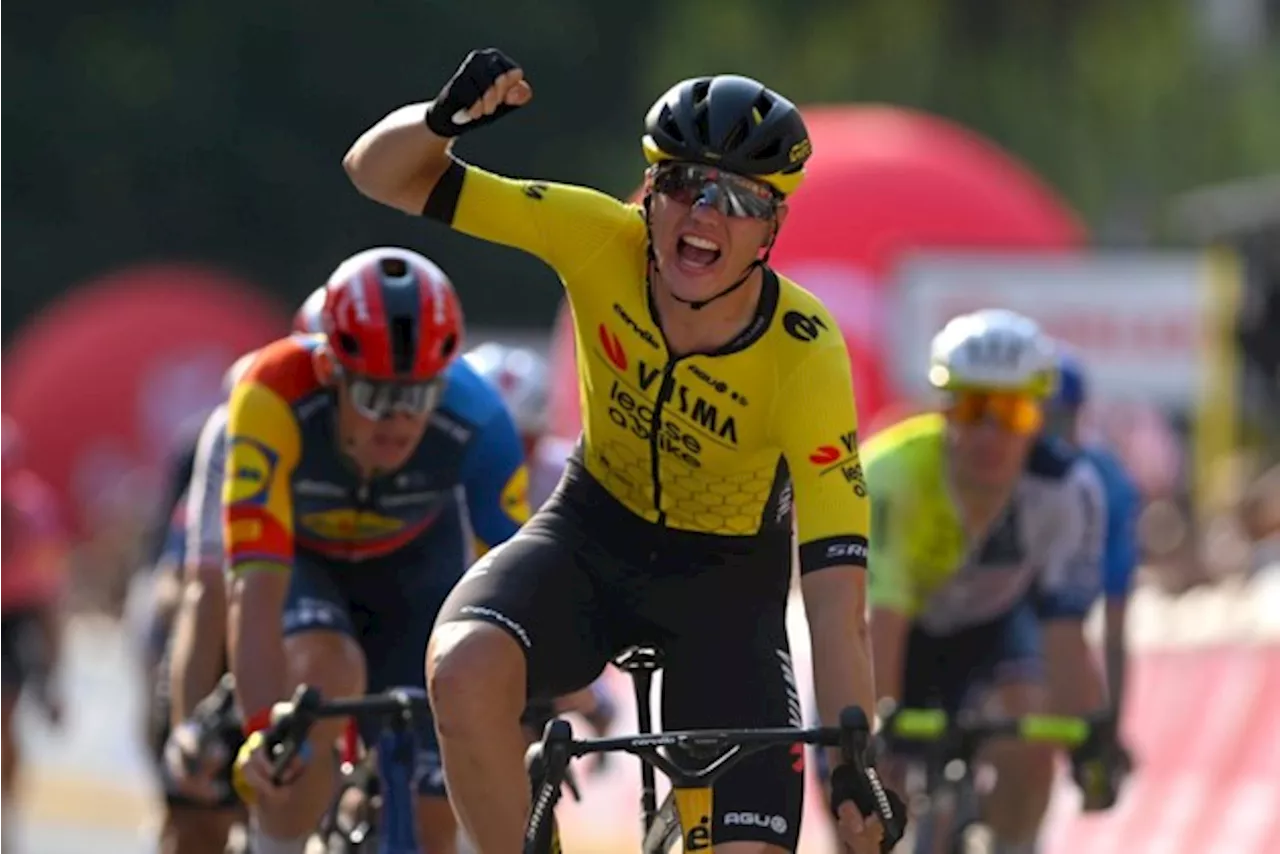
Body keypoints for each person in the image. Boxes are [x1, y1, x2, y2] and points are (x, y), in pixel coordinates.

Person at [344, 49, 903, 854]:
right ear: (648, 194)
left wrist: (856, 759)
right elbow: (376, 172)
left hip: (727, 591)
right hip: (589, 536)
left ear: (772, 227)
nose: (701, 215)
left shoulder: (803, 352)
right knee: (462, 670)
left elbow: (834, 591)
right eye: (679, 184)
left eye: (736, 198)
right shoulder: (594, 234)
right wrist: (439, 122)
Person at [227, 248, 530, 854]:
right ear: (331, 372)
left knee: (431, 816)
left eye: (416, 398)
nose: (395, 421)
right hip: (308, 569)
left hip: (417, 574)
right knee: (324, 681)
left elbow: (522, 580)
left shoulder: (481, 420)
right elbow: (252, 585)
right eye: (374, 395)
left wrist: (545, 698)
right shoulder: (271, 393)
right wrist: (262, 728)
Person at [865, 310, 1112, 854]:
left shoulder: (1069, 491)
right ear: (944, 407)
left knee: (1030, 741)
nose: (991, 433)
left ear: (1040, 417)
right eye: (974, 408)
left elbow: (1065, 634)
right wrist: (875, 747)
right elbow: (880, 623)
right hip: (895, 638)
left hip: (992, 631)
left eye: (1014, 412)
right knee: (862, 817)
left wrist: (1091, 737)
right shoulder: (890, 474)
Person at [463, 342, 618, 752]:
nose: (506, 456)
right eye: (493, 443)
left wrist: (589, 690)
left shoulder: (565, 472)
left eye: (522, 441)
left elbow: (584, 592)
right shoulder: (442, 472)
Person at [1042, 351, 1140, 765]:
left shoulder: (1109, 485)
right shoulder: (992, 460)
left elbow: (1114, 622)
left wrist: (1111, 723)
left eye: (1059, 421)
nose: (1047, 435)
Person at [0, 415, 68, 853]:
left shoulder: (34, 507)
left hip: (13, 618)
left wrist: (53, 675)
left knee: (4, 718)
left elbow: (48, 595)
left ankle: (5, 806)